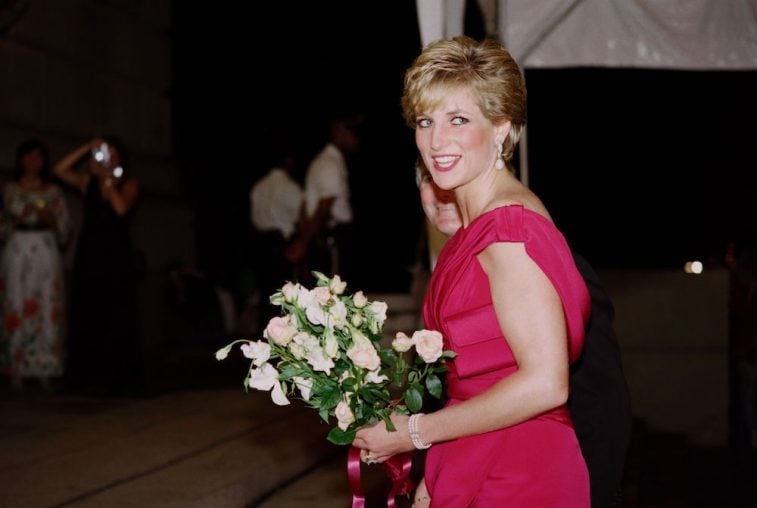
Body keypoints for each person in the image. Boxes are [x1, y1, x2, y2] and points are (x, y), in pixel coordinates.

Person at [354, 36, 591, 506]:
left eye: (458, 120)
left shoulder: (508, 229)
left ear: (501, 127)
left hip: (519, 466)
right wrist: (439, 469)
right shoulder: (476, 227)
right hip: (476, 448)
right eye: (425, 121)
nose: (436, 141)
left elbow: (546, 383)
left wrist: (414, 432)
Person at [415, 162, 632, 507]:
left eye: (455, 173)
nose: (442, 190)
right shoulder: (447, 273)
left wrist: (598, 491)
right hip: (469, 464)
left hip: (537, 471)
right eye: (429, 177)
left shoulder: (533, 256)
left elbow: (601, 390)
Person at [54, 137, 142, 395]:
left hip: (116, 256)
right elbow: (59, 170)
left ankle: (116, 377)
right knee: (88, 310)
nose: (107, 159)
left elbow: (120, 209)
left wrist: (107, 179)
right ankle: (86, 376)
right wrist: (86, 148)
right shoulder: (87, 182)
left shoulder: (129, 183)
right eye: (104, 154)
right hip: (91, 253)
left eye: (113, 154)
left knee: (116, 312)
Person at [0, 138, 70, 390]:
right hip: (19, 247)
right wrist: (20, 217)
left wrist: (48, 218)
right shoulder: (10, 190)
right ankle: (16, 365)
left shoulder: (53, 192)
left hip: (44, 247)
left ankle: (45, 366)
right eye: (29, 156)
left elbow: (64, 226)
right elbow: (5, 220)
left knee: (46, 301)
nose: (33, 161)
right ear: (21, 159)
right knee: (17, 300)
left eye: (38, 156)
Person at [299, 113, 361, 283]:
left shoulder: (328, 160)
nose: (357, 139)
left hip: (327, 235)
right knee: (334, 289)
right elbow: (324, 206)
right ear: (338, 131)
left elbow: (305, 205)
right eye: (353, 132)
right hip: (333, 236)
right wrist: (303, 242)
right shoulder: (329, 162)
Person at [250, 141, 304, 329]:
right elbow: (301, 218)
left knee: (265, 293)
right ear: (288, 161)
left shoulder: (258, 187)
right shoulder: (291, 187)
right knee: (284, 295)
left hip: (261, 242)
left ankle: (264, 333)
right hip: (281, 244)